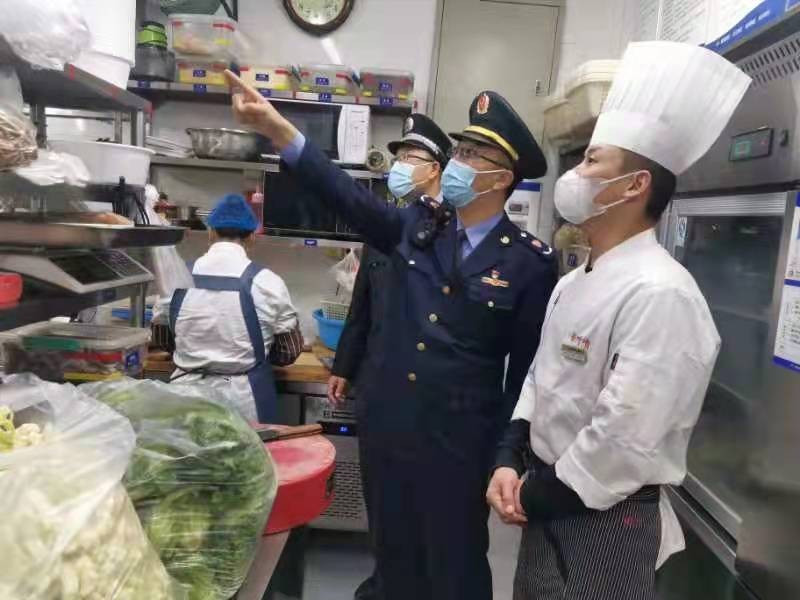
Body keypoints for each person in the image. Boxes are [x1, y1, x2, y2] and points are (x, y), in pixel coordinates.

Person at [224, 68, 558, 600]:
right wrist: (278, 130)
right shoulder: (415, 227)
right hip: (389, 429)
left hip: (459, 445)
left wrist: (507, 456)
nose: (457, 162)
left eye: (473, 155)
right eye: (459, 150)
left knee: (454, 568)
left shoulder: (528, 263)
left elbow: (525, 378)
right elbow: (346, 197)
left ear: (501, 179)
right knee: (392, 559)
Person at [486, 41, 751, 600]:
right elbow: (539, 379)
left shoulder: (662, 295)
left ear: (635, 185)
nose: (575, 174)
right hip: (548, 496)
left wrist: (533, 496)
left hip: (605, 519)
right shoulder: (572, 282)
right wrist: (510, 456)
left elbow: (624, 437)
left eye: (591, 160)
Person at [326, 114, 452, 600]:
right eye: (397, 158)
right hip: (377, 387)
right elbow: (362, 304)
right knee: (379, 495)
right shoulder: (384, 228)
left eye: (410, 158)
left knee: (424, 503)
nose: (399, 167)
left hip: (427, 396)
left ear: (435, 169)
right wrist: (344, 366)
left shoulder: (452, 232)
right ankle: (385, 583)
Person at [157, 193, 304, 422]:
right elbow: (288, 352)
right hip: (243, 399)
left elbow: (162, 338)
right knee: (242, 447)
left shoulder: (177, 276)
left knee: (186, 445)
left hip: (186, 396)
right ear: (251, 237)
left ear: (211, 233)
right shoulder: (268, 282)